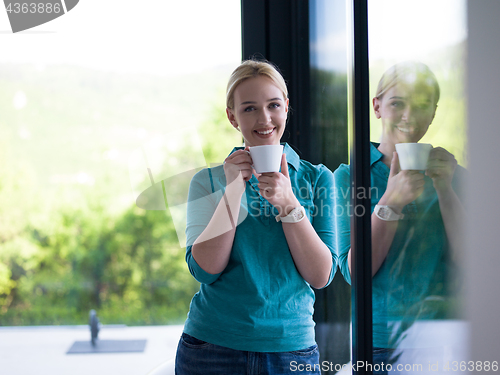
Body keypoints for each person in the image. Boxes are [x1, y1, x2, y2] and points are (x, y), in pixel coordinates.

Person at [175, 59, 337, 375]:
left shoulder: (318, 180)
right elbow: (205, 270)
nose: (264, 118)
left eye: (273, 105)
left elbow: (321, 275)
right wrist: (233, 190)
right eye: (249, 108)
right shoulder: (208, 182)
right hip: (211, 348)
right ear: (232, 117)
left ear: (287, 107)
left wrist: (289, 203)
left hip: (291, 351)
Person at [333, 61, 465, 374]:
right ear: (377, 107)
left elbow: (473, 263)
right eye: (397, 103)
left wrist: (445, 189)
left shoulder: (454, 176)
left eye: (421, 106)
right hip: (378, 340)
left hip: (444, 336)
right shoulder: (350, 178)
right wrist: (391, 200)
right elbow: (355, 273)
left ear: (433, 112)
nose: (409, 116)